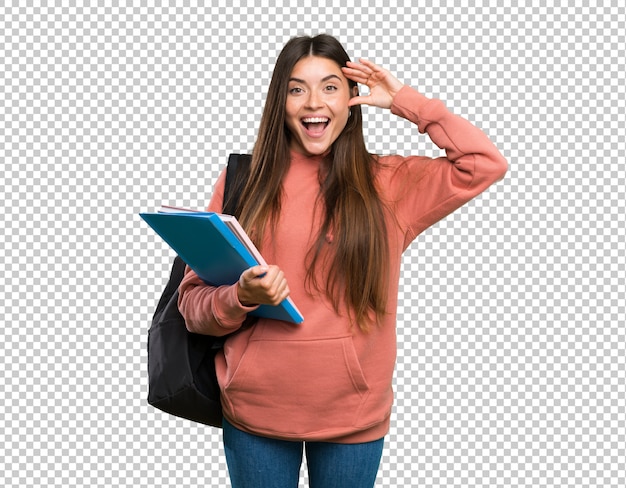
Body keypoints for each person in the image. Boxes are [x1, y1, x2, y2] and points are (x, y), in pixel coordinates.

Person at [178, 34, 507, 488]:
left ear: (351, 97)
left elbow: (483, 163)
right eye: (297, 89)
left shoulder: (389, 184)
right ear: (281, 101)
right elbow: (193, 306)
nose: (314, 102)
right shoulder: (243, 181)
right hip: (256, 412)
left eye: (330, 86)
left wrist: (407, 103)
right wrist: (240, 297)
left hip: (354, 416)